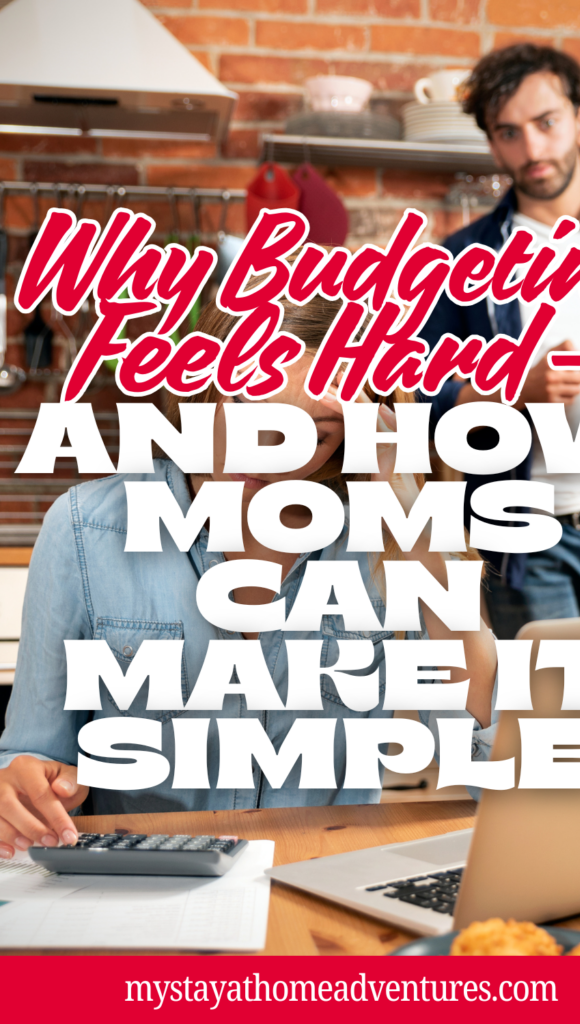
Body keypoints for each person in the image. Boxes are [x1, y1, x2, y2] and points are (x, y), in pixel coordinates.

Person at [0, 289, 498, 860]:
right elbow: (28, 758)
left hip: (323, 877)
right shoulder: (86, 530)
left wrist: (408, 516)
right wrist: (22, 788)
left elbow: (492, 763)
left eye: (313, 432)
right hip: (140, 886)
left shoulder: (385, 539)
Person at [420, 43, 580, 640]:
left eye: (546, 124)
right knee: (549, 728)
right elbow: (421, 404)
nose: (533, 150)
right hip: (526, 547)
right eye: (509, 133)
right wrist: (510, 390)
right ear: (492, 143)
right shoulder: (459, 260)